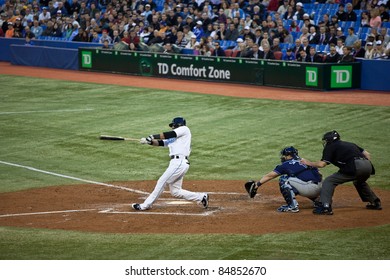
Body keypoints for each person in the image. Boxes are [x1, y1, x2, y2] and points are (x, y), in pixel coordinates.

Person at [132, 117, 209, 211]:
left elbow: (168, 134)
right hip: (176, 163)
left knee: (162, 182)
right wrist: (149, 142)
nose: (172, 127)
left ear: (178, 125)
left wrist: (152, 136)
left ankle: (145, 205)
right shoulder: (174, 138)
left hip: (179, 163)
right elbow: (161, 143)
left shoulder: (184, 129)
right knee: (176, 192)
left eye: (173, 125)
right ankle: (201, 197)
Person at [301, 131, 382, 215]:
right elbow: (367, 154)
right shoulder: (349, 144)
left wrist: (308, 163)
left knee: (329, 181)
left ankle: (325, 207)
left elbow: (322, 164)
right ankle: (375, 202)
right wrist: (363, 164)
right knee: (359, 181)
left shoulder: (330, 146)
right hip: (368, 166)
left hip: (355, 166)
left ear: (329, 140)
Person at [250, 147, 322, 213]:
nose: (283, 157)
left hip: (310, 189)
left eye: (284, 155)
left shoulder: (286, 164)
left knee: (284, 179)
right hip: (320, 188)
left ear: (289, 156)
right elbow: (320, 174)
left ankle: (292, 206)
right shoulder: (305, 161)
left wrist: (257, 184)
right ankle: (318, 200)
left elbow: (270, 176)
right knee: (302, 180)